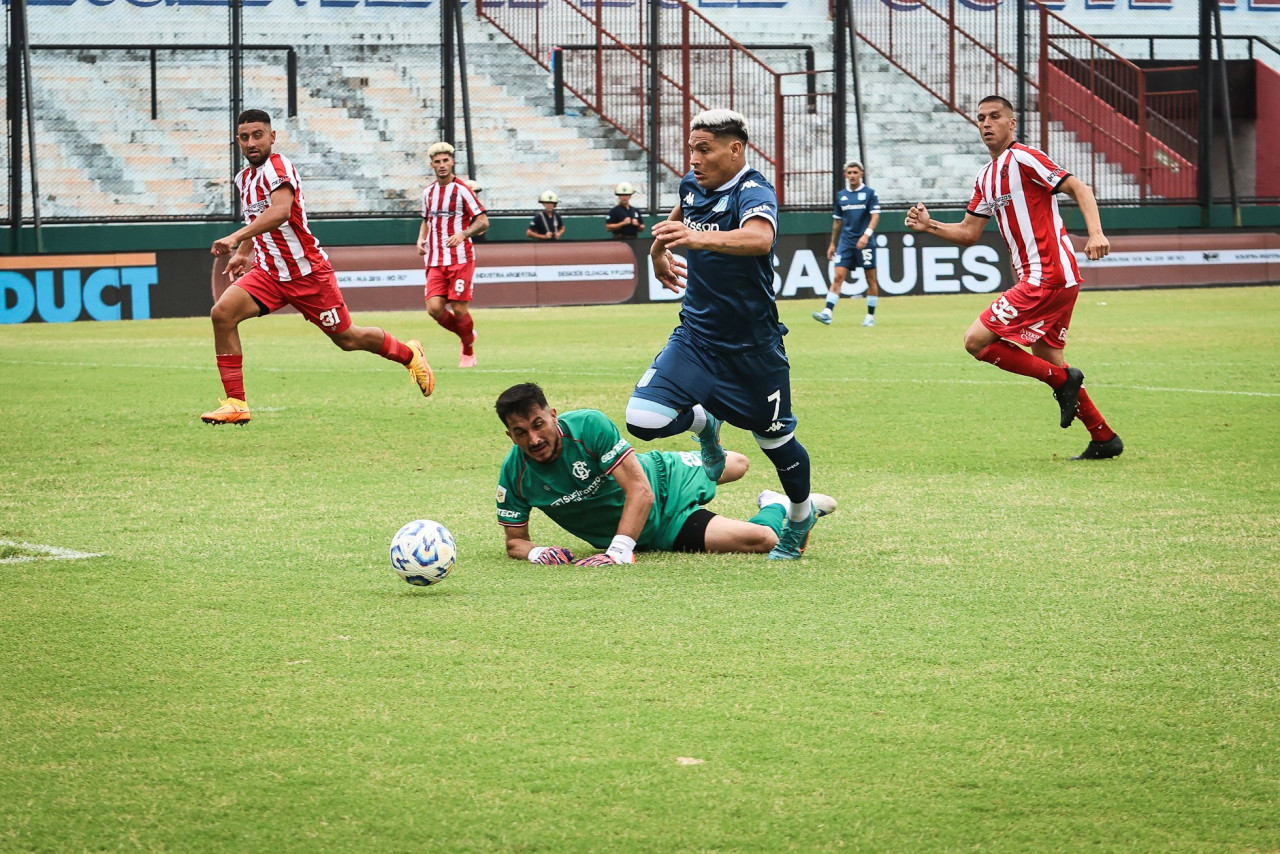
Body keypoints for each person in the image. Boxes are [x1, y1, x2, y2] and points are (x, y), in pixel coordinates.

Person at [624, 108, 828, 561]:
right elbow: (676, 222)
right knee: (643, 419)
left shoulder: (754, 189)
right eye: (692, 149)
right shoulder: (692, 186)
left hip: (754, 348)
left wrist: (694, 239)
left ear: (735, 149)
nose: (694, 159)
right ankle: (705, 423)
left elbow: (758, 240)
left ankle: (798, 517)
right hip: (696, 337)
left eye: (704, 149)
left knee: (776, 443)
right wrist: (658, 252)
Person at [904, 94, 1123, 460]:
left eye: (995, 116)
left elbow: (1079, 187)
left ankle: (1062, 382)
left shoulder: (1023, 157)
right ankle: (1103, 437)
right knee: (1049, 356)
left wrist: (1097, 233)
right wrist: (930, 226)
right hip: (1053, 279)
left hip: (1048, 274)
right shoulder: (986, 177)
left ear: (1012, 123)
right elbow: (969, 232)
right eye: (980, 118)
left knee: (976, 341)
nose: (986, 123)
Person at [202, 109, 434, 425]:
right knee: (222, 313)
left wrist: (235, 237)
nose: (251, 142)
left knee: (348, 339)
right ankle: (235, 403)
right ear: (238, 141)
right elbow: (258, 220)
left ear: (272, 136)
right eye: (244, 137)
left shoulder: (278, 168)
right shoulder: (243, 179)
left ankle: (410, 355)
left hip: (308, 274)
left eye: (258, 135)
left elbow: (281, 211)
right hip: (270, 273)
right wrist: (244, 251)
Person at [494, 383, 836, 565]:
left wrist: (618, 550)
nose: (534, 439)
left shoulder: (588, 425)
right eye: (521, 432)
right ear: (510, 436)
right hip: (665, 527)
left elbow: (640, 490)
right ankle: (778, 505)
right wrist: (536, 552)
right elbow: (515, 542)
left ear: (553, 415)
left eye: (539, 424)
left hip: (660, 477)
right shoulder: (514, 474)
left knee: (740, 463)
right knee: (764, 541)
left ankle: (705, 441)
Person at [418, 141, 489, 369]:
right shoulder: (428, 193)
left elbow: (483, 221)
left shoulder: (463, 191)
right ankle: (467, 334)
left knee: (459, 309)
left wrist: (464, 233)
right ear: (432, 165)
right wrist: (421, 239)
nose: (441, 165)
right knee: (434, 309)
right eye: (437, 162)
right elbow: (426, 220)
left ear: (452, 162)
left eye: (445, 160)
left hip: (460, 258)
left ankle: (468, 349)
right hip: (435, 259)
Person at [814, 160, 881, 327]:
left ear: (861, 174)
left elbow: (875, 217)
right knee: (838, 276)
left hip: (865, 243)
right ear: (845, 175)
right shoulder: (841, 196)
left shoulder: (870, 194)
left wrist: (866, 236)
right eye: (849, 173)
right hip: (846, 242)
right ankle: (828, 313)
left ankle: (870, 316)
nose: (852, 175)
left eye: (855, 172)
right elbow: (837, 222)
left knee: (870, 278)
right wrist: (832, 244)